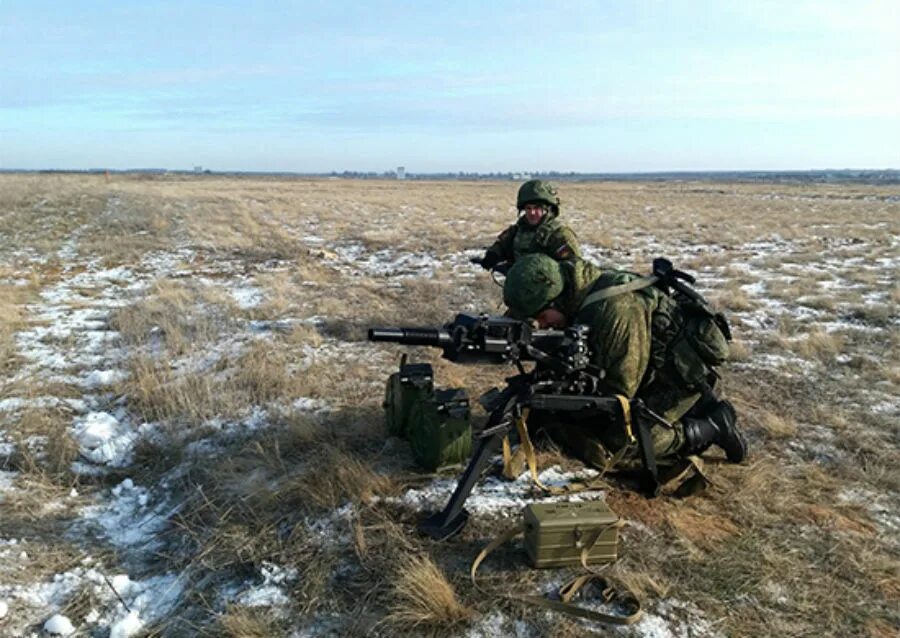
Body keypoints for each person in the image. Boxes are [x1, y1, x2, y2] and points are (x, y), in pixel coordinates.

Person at [502, 253, 747, 472]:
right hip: (648, 362)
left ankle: (712, 425)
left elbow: (620, 394)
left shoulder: (616, 310)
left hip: (677, 378)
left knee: (623, 441)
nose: (542, 325)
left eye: (542, 318)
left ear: (556, 300)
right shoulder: (569, 283)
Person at [477, 179, 581, 271]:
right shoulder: (518, 230)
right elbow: (502, 245)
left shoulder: (560, 235)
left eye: (537, 208)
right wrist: (493, 256)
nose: (532, 213)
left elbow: (574, 267)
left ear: (547, 209)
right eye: (528, 208)